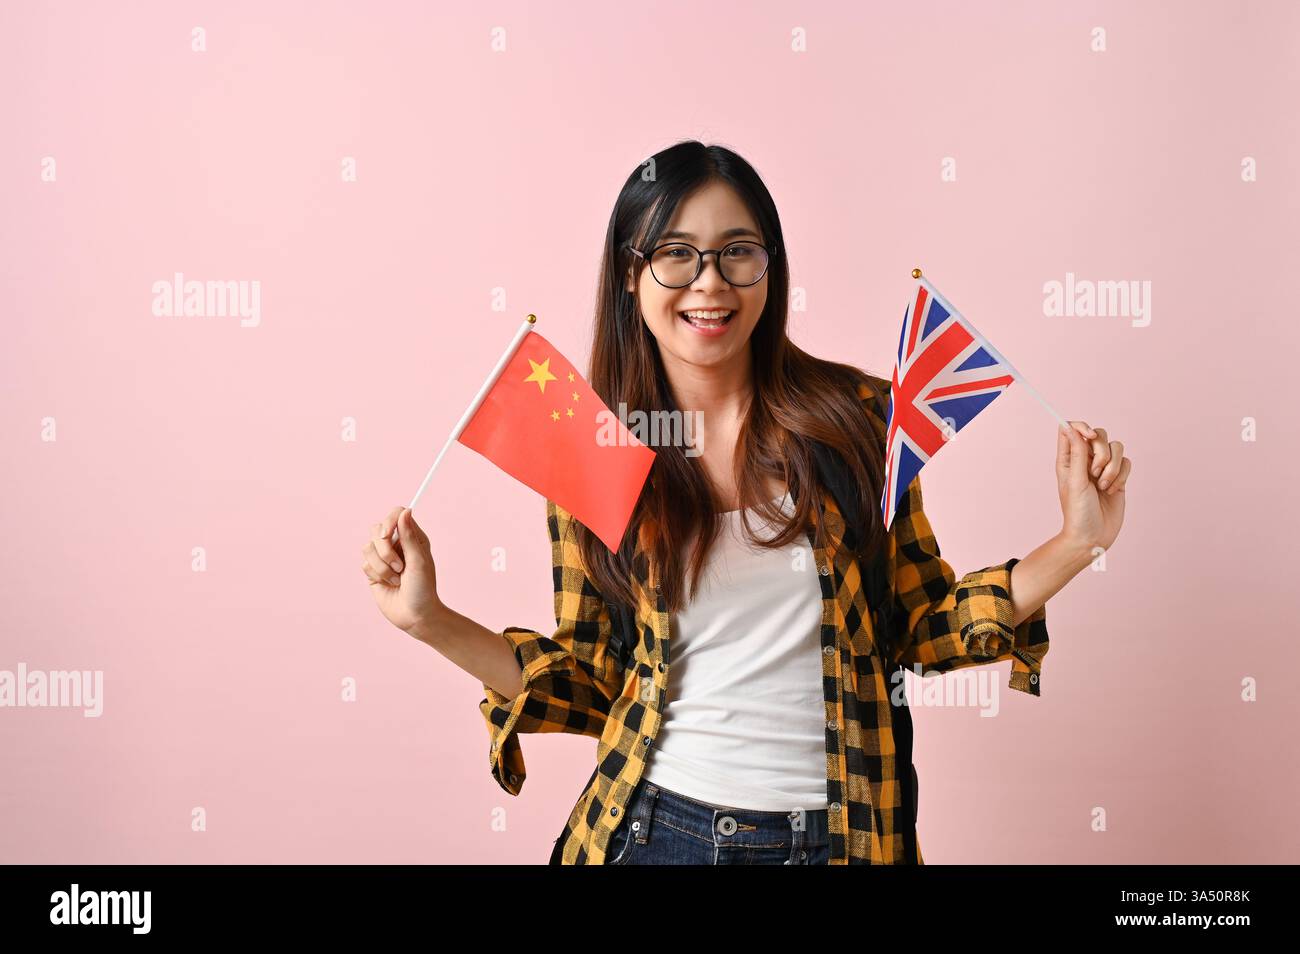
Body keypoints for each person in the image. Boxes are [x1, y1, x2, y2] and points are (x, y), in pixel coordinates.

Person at [359, 141, 1132, 865]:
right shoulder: (596, 448)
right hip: (658, 830)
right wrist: (430, 620)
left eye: (738, 251)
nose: (710, 282)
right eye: (675, 255)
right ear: (631, 276)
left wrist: (1073, 544)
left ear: (771, 267)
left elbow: (921, 628)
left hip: (845, 839)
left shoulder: (856, 417)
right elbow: (596, 680)